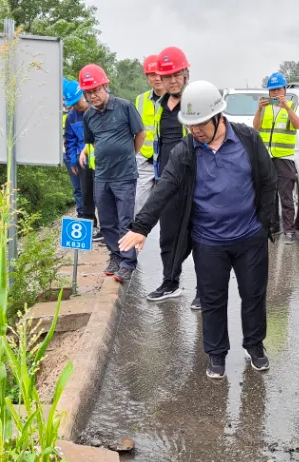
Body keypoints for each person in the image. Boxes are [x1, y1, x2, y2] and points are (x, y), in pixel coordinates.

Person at [118, 80, 277, 379]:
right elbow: (164, 188)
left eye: (201, 123)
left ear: (218, 116)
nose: (196, 130)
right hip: (209, 241)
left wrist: (261, 224)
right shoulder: (186, 151)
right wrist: (141, 227)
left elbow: (268, 181)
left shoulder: (247, 139)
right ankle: (216, 354)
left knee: (254, 295)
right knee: (212, 299)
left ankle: (255, 346)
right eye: (190, 125)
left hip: (249, 238)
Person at [78, 64, 146, 284]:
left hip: (125, 175)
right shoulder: (89, 116)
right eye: (88, 92)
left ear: (105, 85)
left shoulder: (124, 107)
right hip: (102, 176)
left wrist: (130, 155)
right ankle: (115, 256)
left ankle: (127, 263)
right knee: (106, 220)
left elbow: (140, 133)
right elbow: (90, 142)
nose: (93, 95)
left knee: (125, 220)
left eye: (96, 89)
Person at [146, 46, 199, 310]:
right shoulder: (160, 106)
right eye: (167, 76)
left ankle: (204, 289)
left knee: (201, 235)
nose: (172, 80)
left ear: (186, 74)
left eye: (177, 74)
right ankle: (171, 282)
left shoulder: (196, 101)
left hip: (196, 181)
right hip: (167, 180)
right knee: (168, 234)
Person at [254, 72, 299, 244]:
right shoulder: (265, 107)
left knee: (286, 196)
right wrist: (259, 109)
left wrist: (286, 108)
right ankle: (272, 227)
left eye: (278, 89)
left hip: (285, 158)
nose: (275, 93)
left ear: (284, 89)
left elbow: (298, 125)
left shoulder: (293, 106)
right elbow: (256, 127)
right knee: (268, 195)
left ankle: (289, 231)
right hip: (267, 157)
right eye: (272, 90)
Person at [63, 78, 101, 240]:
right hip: (82, 161)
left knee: (102, 193)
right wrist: (72, 160)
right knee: (84, 194)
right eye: (74, 104)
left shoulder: (98, 111)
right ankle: (88, 225)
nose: (77, 107)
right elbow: (70, 139)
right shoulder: (72, 117)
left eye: (78, 102)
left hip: (101, 159)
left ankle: (107, 228)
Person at [133, 54, 165, 214]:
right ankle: (140, 237)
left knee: (168, 206)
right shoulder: (140, 100)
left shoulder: (176, 99)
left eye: (160, 73)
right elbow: (134, 130)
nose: (157, 78)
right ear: (147, 78)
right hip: (144, 160)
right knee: (140, 205)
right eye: (152, 74)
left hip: (168, 161)